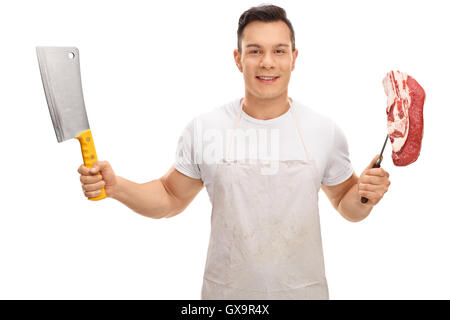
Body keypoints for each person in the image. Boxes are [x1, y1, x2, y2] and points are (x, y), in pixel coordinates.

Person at [78, 4, 391, 300]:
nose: (267, 62)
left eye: (279, 51)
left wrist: (365, 193)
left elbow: (347, 206)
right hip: (227, 297)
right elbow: (170, 197)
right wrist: (116, 187)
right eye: (255, 51)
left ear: (294, 58)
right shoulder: (206, 129)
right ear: (238, 59)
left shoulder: (324, 131)